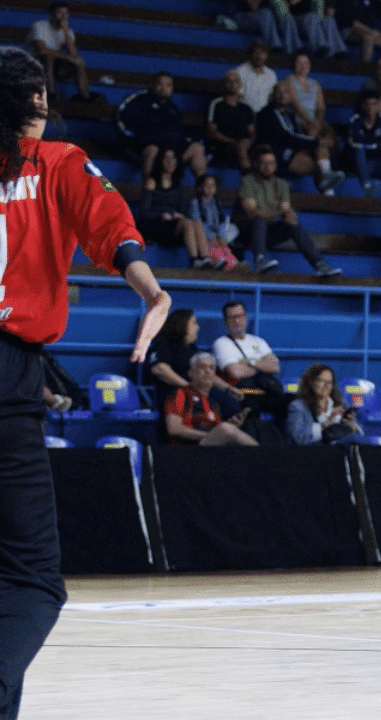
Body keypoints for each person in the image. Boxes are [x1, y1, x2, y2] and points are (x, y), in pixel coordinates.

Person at [0, 46, 171, 718]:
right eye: (36, 93)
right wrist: (152, 292)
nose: (44, 103)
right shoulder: (59, 162)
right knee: (33, 580)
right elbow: (111, 228)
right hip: (10, 374)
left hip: (17, 373)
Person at [233, 146, 342, 276]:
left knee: (294, 225)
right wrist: (280, 212)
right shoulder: (247, 181)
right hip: (244, 232)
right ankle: (260, 260)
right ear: (256, 164)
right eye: (264, 163)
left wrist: (289, 215)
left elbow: (286, 210)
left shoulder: (281, 184)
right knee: (259, 220)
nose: (268, 167)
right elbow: (252, 212)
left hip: (266, 232)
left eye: (272, 163)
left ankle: (320, 264)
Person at [254, 80, 345, 195]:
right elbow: (288, 137)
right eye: (279, 92)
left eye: (286, 92)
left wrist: (316, 141)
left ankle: (327, 177)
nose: (282, 96)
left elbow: (296, 135)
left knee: (321, 149)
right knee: (318, 159)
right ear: (273, 95)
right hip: (277, 154)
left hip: (292, 149)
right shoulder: (269, 112)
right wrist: (317, 141)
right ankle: (329, 193)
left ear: (291, 95)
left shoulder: (289, 113)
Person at [147, 308, 242, 415]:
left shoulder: (192, 348)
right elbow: (160, 369)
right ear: (182, 325)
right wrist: (188, 387)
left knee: (233, 404)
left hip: (198, 393)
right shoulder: (164, 344)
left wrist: (228, 388)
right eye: (194, 323)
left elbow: (208, 374)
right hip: (176, 395)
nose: (198, 327)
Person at [114, 71, 208, 180]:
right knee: (152, 150)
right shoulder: (138, 100)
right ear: (153, 84)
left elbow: (178, 132)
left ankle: (203, 187)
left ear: (172, 88)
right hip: (142, 145)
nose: (164, 88)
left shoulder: (172, 107)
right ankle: (148, 187)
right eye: (160, 84)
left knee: (197, 148)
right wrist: (133, 139)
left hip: (170, 148)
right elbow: (120, 120)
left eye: (168, 85)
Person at [212, 299, 291, 420]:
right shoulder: (221, 343)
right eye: (232, 318)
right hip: (243, 394)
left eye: (240, 316)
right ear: (225, 321)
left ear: (246, 317)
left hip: (266, 391)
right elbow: (235, 372)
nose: (237, 321)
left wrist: (250, 362)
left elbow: (275, 367)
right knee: (251, 409)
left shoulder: (258, 341)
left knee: (294, 402)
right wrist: (262, 366)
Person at [137, 148, 214, 269]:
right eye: (166, 158)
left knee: (196, 223)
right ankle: (194, 260)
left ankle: (205, 259)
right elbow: (144, 212)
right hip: (156, 225)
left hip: (174, 224)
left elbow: (183, 210)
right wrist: (163, 215)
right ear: (160, 161)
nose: (170, 162)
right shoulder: (152, 182)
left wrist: (175, 215)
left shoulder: (178, 185)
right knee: (186, 223)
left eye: (173, 158)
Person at [164, 353, 259, 446]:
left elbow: (215, 430)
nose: (207, 371)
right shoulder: (180, 394)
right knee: (225, 429)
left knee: (255, 425)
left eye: (211, 368)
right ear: (191, 373)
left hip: (212, 449)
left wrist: (234, 425)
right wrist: (214, 434)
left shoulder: (213, 402)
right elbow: (174, 429)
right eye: (202, 367)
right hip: (188, 449)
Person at [27, 1, 98, 103]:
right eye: (60, 13)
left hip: (56, 66)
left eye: (66, 13)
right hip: (35, 64)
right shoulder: (39, 26)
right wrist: (66, 57)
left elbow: (73, 54)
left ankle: (85, 97)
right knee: (49, 58)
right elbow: (42, 50)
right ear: (52, 14)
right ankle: (51, 95)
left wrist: (65, 31)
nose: (63, 16)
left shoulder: (69, 31)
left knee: (78, 62)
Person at [286, 363, 366, 445]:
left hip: (340, 448)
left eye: (329, 382)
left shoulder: (340, 403)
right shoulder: (298, 406)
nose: (326, 386)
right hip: (314, 450)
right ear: (311, 382)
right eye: (321, 381)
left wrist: (352, 426)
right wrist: (328, 421)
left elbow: (360, 434)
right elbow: (299, 439)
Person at [345, 90, 381, 198]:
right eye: (368, 104)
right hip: (356, 163)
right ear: (363, 106)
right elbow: (354, 144)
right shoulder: (355, 121)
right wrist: (380, 147)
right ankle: (367, 187)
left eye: (374, 104)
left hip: (375, 162)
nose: (371, 107)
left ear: (378, 105)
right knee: (359, 150)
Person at [207, 69, 256, 173]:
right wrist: (233, 142)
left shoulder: (247, 109)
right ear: (224, 84)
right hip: (223, 146)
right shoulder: (216, 105)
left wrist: (249, 142)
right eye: (229, 81)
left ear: (240, 85)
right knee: (241, 147)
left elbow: (252, 132)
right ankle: (248, 175)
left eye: (236, 81)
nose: (233, 84)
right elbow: (212, 132)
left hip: (245, 146)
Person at [189, 173, 239, 270]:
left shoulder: (215, 203)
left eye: (213, 185)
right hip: (203, 235)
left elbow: (221, 221)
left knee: (224, 245)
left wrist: (220, 235)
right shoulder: (195, 203)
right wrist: (210, 236)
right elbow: (198, 222)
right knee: (213, 246)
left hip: (215, 234)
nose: (210, 188)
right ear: (200, 187)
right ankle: (219, 262)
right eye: (207, 185)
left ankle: (234, 264)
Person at [233, 39, 278, 114]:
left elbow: (272, 97)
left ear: (267, 55)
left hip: (265, 115)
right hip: (244, 113)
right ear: (250, 53)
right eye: (256, 52)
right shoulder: (240, 71)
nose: (259, 56)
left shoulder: (271, 74)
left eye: (262, 53)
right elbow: (238, 97)